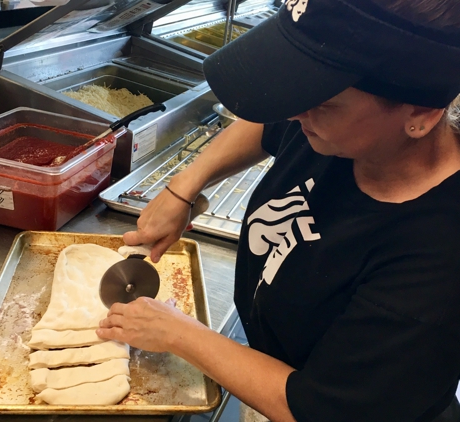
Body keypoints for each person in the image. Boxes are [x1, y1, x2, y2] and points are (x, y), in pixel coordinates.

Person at [96, 0, 460, 420]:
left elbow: (318, 408)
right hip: (274, 367)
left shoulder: (437, 265)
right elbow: (268, 122)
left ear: (420, 113)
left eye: (321, 102)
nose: (293, 110)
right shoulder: (340, 127)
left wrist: (179, 334)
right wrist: (185, 187)